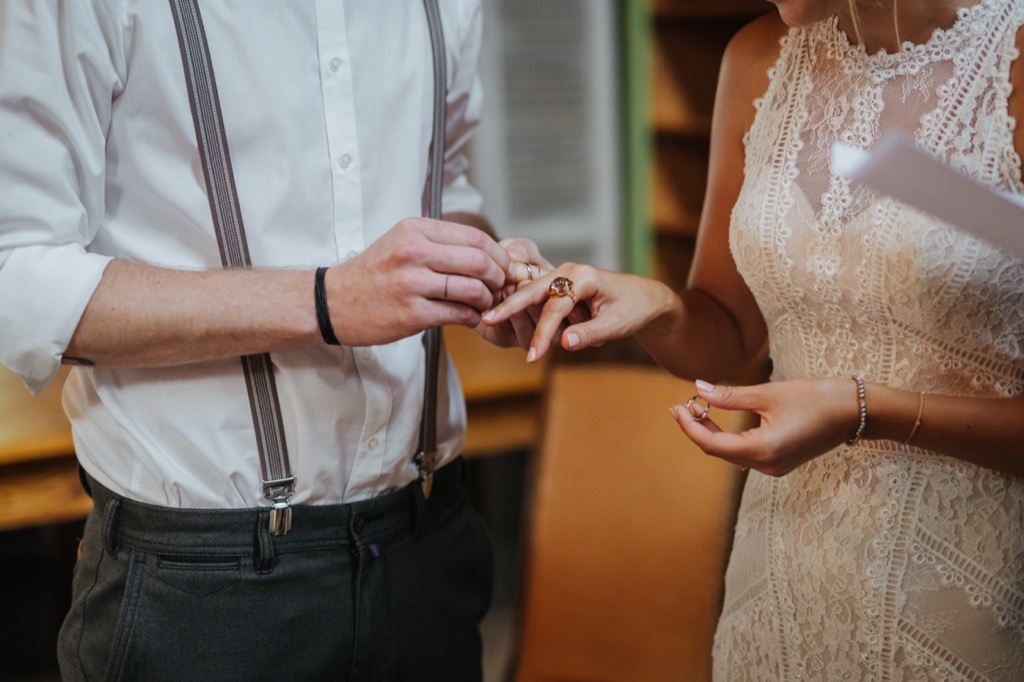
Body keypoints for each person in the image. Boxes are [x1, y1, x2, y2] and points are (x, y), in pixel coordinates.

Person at [0, 2, 546, 680]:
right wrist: (326, 299)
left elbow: (447, 181)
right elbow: (17, 280)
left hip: (428, 548)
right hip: (202, 588)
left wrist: (483, 268)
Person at [486, 0, 1024, 677]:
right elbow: (729, 333)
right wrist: (653, 305)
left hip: (963, 594)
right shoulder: (757, 58)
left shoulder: (1013, 55)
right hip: (779, 585)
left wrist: (865, 409)